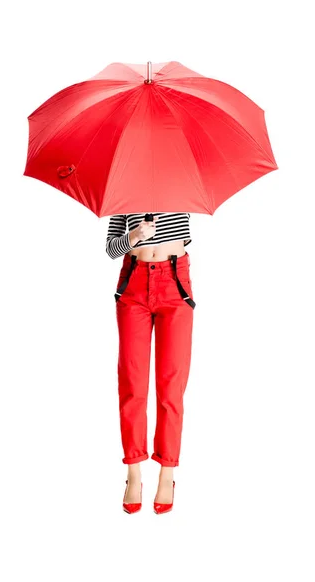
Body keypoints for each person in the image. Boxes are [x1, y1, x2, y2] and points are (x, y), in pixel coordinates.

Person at [106, 212, 195, 514]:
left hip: (174, 282)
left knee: (171, 386)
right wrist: (134, 237)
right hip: (134, 282)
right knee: (132, 383)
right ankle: (133, 472)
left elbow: (183, 237)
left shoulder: (180, 182)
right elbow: (111, 248)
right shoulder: (125, 191)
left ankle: (167, 473)